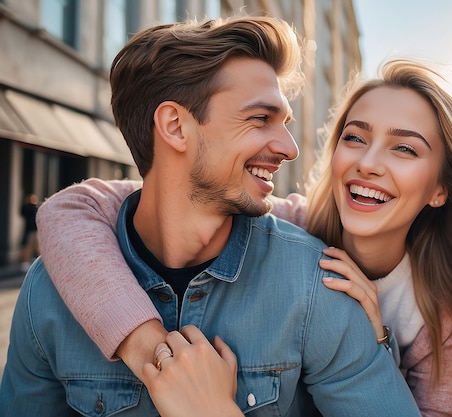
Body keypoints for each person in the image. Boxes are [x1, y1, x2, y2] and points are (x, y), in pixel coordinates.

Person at [34, 60, 452, 416]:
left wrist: (379, 338)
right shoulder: (292, 226)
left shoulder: (441, 307)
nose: (367, 163)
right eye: (354, 137)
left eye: (404, 149)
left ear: (439, 190)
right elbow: (71, 210)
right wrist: (155, 353)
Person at [0, 16, 421, 417]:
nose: (290, 148)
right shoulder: (49, 294)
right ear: (176, 127)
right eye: (260, 118)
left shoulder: (318, 284)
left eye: (285, 122)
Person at [19, 193, 39, 271]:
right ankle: (24, 262)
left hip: (34, 230)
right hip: (30, 230)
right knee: (27, 246)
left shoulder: (34, 207)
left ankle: (27, 262)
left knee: (36, 247)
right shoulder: (30, 207)